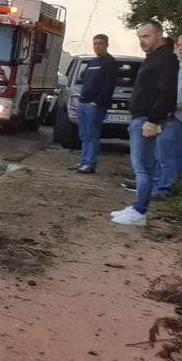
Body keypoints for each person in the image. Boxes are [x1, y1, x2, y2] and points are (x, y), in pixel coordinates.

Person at [111, 21, 180, 226]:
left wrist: (152, 119)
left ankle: (139, 212)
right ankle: (136, 207)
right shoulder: (154, 58)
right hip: (141, 118)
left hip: (147, 119)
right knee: (142, 167)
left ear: (159, 35)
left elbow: (166, 91)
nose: (142, 41)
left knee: (143, 168)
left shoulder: (167, 59)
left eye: (146, 36)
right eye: (140, 37)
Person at [70, 34, 119, 174]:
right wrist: (81, 99)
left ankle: (90, 163)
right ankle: (83, 161)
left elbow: (109, 85)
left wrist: (97, 102)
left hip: (95, 106)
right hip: (83, 103)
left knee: (92, 135)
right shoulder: (92, 62)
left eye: (100, 43)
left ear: (107, 45)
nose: (97, 46)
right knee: (83, 135)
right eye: (95, 43)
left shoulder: (110, 63)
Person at [150, 35, 182, 197]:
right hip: (165, 115)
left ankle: (164, 188)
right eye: (180, 44)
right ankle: (155, 184)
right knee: (158, 153)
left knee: (168, 155)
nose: (181, 47)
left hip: (175, 117)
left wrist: (169, 107)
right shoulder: (177, 66)